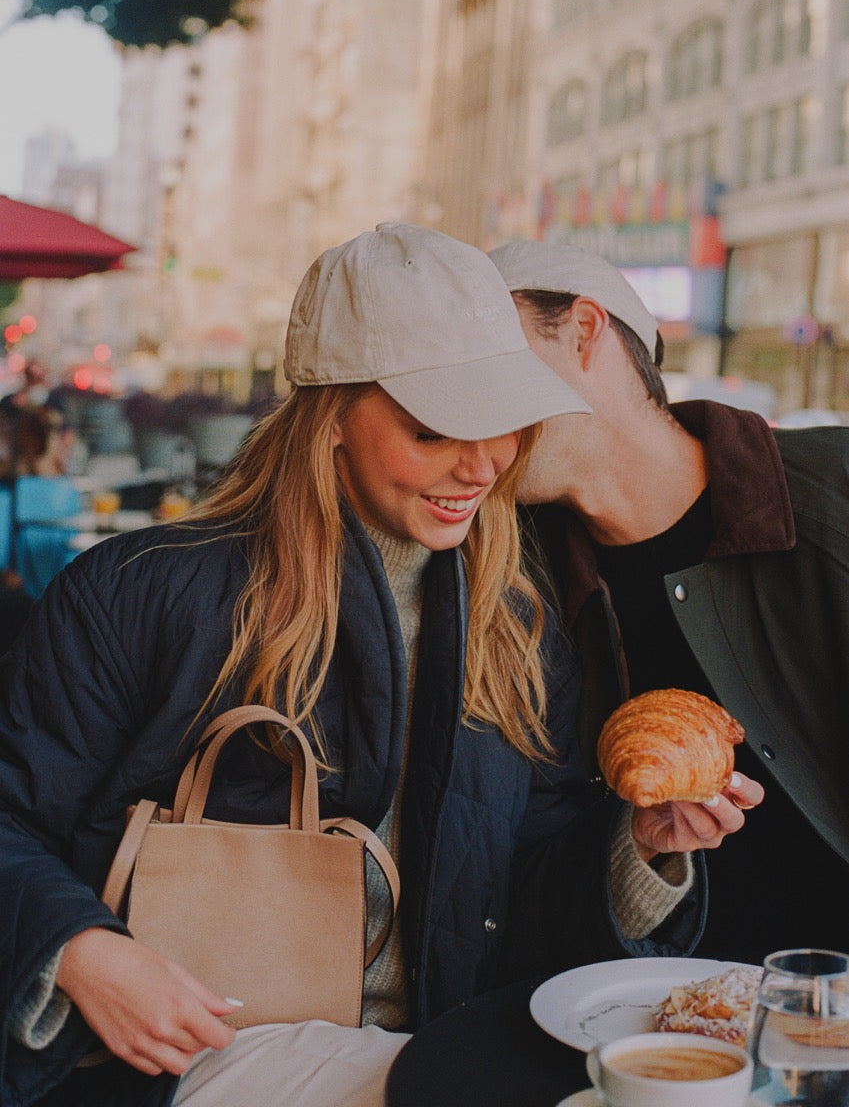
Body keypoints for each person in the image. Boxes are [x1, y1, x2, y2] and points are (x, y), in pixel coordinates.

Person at [0, 224, 758, 1107]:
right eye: (435, 428)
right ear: (329, 418)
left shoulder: (516, 619)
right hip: (188, 1059)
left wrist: (638, 850)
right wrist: (86, 953)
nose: (481, 464)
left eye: (505, 420)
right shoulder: (134, 593)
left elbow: (528, 894)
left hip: (441, 1050)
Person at [489, 236, 844, 966]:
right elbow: (517, 875)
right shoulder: (506, 587)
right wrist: (641, 853)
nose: (466, 407)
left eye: (490, 361)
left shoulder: (832, 495)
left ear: (584, 331)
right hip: (655, 1028)